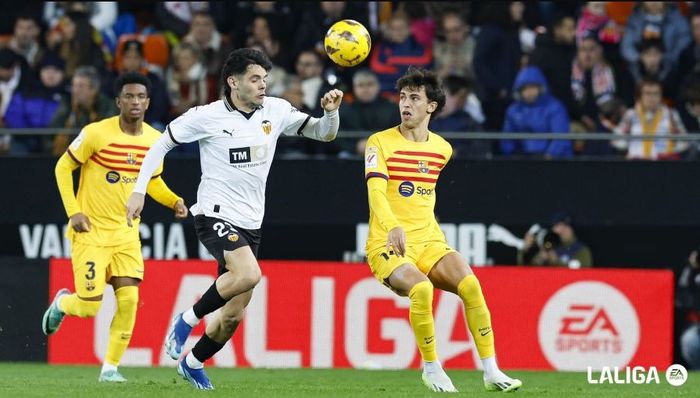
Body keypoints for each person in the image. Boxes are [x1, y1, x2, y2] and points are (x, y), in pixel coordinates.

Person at [124, 48, 343, 390]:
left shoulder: (276, 109)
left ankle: (193, 362)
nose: (262, 86)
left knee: (232, 316)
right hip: (214, 213)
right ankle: (184, 322)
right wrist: (139, 190)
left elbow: (323, 133)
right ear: (233, 82)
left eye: (265, 80)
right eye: (255, 79)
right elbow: (160, 144)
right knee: (249, 272)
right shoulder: (206, 116)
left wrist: (331, 113)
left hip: (251, 223)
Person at [363, 67, 521, 393]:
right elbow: (377, 193)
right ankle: (432, 367)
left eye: (414, 98)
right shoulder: (379, 143)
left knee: (472, 286)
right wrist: (392, 226)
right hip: (387, 242)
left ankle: (491, 371)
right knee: (421, 290)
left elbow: (422, 194)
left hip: (429, 240)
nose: (405, 104)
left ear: (431, 106)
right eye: (403, 97)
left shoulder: (442, 149)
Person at [42, 72, 188, 382]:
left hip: (126, 234)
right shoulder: (95, 133)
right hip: (90, 233)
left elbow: (153, 181)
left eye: (140, 97)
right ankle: (63, 303)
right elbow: (63, 166)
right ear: (118, 100)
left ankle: (110, 369)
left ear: (148, 103)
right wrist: (74, 212)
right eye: (129, 97)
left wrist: (173, 200)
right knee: (89, 307)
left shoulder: (154, 141)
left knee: (130, 299)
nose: (135, 102)